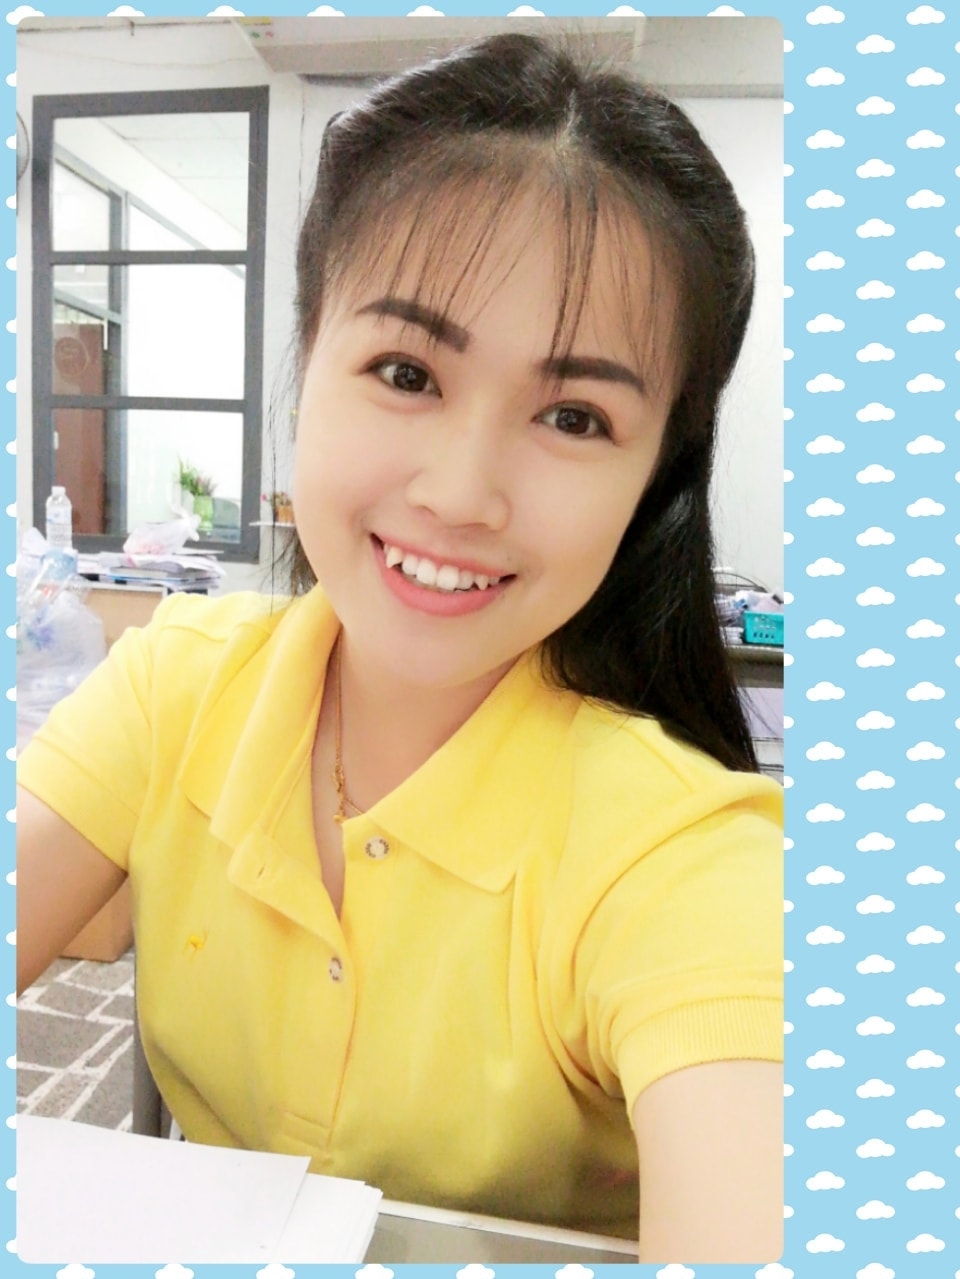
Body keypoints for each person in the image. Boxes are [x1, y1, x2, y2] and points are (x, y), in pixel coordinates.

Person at [17, 32, 783, 1262]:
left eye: (574, 414)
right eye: (406, 370)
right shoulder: (177, 683)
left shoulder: (683, 858)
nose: (461, 492)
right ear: (306, 355)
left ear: (655, 481)